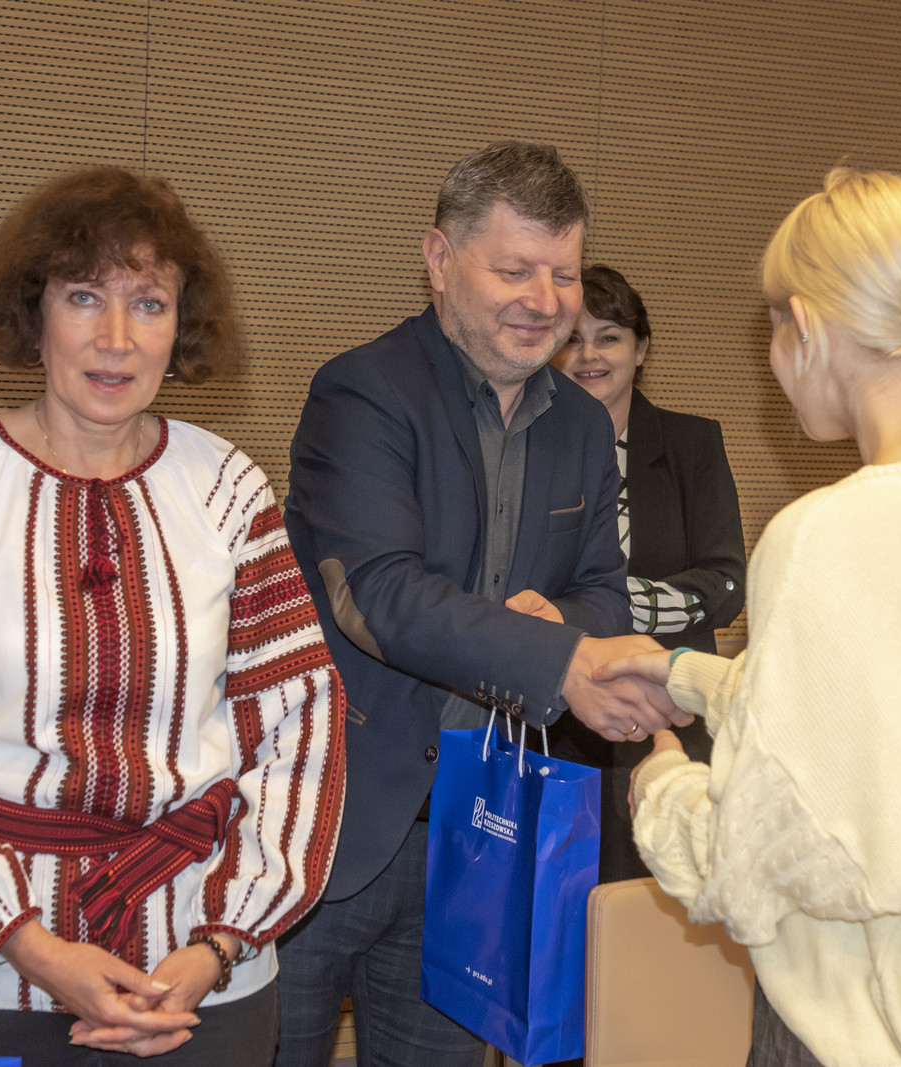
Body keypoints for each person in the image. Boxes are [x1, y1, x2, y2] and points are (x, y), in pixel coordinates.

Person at [0, 166, 346, 1065]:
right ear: (32, 310)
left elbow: (297, 723)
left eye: (149, 304)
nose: (117, 338)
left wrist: (220, 941)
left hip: (202, 972)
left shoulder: (228, 486)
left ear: (180, 326)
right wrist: (30, 945)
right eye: (84, 297)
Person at [596, 169, 901, 1066]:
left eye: (773, 331)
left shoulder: (822, 534)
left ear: (806, 327)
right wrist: (681, 673)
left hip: (860, 1037)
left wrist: (660, 780)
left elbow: (750, 864)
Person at [276, 141, 685, 1067]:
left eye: (563, 274)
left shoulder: (583, 423)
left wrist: (561, 628)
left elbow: (603, 592)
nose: (544, 300)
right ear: (439, 258)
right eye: (513, 270)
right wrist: (552, 658)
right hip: (328, 826)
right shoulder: (363, 392)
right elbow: (376, 594)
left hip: (481, 840)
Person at [549, 264, 745, 883]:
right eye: (571, 339)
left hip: (670, 717)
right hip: (561, 723)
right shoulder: (530, 448)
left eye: (608, 337)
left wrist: (608, 604)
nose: (588, 355)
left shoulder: (692, 444)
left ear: (641, 350)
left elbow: (725, 583)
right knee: (564, 904)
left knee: (660, 908)